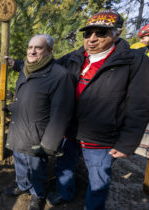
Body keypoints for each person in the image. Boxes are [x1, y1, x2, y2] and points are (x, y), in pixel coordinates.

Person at [40, 10, 149, 210]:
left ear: (117, 33)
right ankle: (64, 193)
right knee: (65, 166)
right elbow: (48, 70)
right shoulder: (74, 57)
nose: (92, 39)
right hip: (70, 129)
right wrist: (19, 64)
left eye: (100, 33)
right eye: (87, 33)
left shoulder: (134, 61)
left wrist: (127, 142)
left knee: (99, 177)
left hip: (101, 136)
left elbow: (139, 105)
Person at [3, 34, 75, 210]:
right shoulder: (26, 68)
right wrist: (13, 107)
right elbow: (29, 96)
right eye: (30, 47)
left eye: (38, 47)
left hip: (37, 135)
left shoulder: (59, 76)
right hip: (18, 128)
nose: (32, 51)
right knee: (19, 162)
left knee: (37, 169)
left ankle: (37, 194)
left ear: (49, 51)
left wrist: (49, 144)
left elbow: (61, 113)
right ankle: (22, 185)